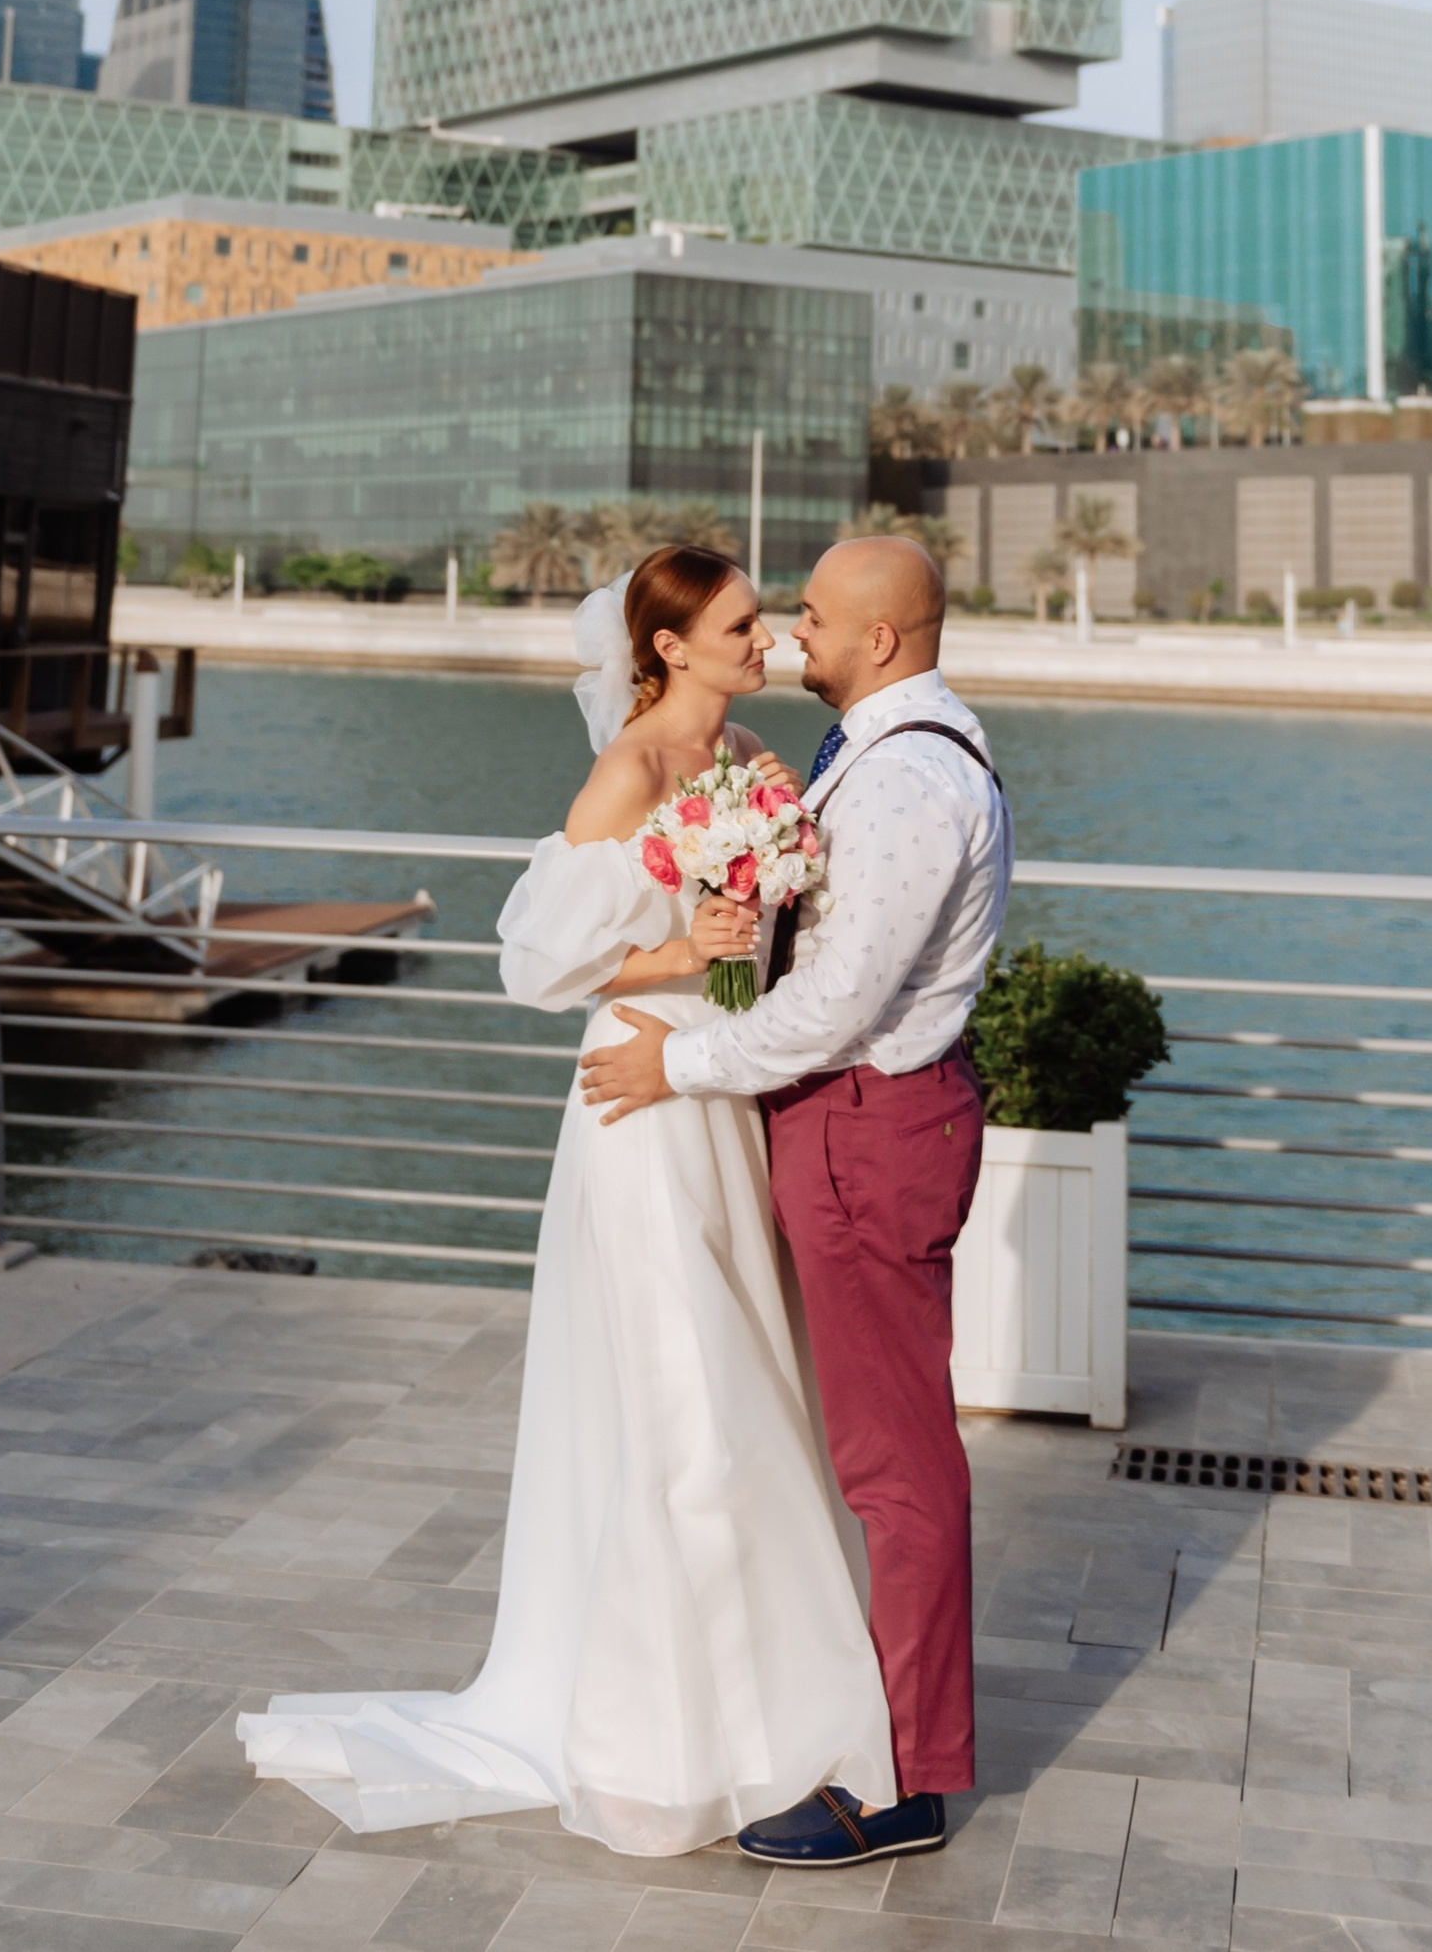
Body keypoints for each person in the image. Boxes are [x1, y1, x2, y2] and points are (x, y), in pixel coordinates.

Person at [235, 544, 896, 1859]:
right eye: (740, 624)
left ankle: (772, 1712)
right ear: (668, 649)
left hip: (721, 1089)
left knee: (754, 1388)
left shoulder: (754, 760)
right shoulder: (630, 772)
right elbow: (533, 961)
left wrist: (755, 940)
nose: (761, 641)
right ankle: (660, 1738)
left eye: (763, 623)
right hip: (636, 1104)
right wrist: (681, 948)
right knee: (681, 1406)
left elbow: (767, 930)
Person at [578, 534, 1011, 1872]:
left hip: (869, 1132)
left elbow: (837, 1002)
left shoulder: (907, 784)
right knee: (860, 1449)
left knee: (895, 1463)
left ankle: (906, 1783)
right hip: (850, 1128)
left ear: (881, 642)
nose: (790, 640)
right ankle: (851, 1716)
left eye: (811, 619)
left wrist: (678, 1060)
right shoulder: (876, 751)